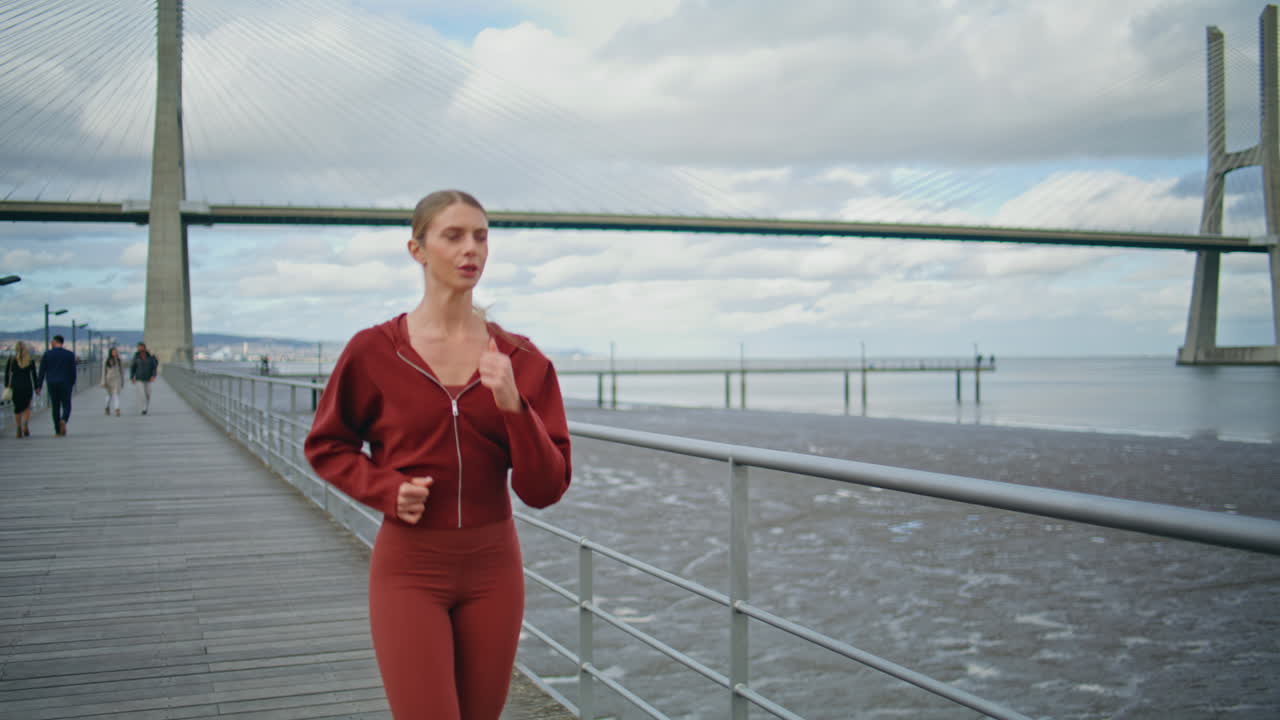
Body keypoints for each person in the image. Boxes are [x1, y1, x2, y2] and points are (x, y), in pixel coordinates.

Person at [304, 190, 572, 720]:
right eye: (453, 235)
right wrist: (384, 489)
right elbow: (326, 445)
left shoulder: (520, 360)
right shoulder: (374, 350)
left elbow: (544, 489)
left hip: (494, 570)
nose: (471, 248)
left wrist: (514, 407)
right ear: (417, 249)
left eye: (481, 236)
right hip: (409, 569)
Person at [36, 335, 76, 436]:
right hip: (66, 383)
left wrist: (39, 386)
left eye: (52, 341)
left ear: (55, 342)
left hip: (52, 383)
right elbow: (73, 371)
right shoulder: (70, 355)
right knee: (67, 404)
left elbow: (42, 371)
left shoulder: (47, 354)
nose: (51, 343)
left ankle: (57, 431)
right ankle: (64, 420)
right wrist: (72, 383)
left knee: (55, 407)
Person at [5, 341, 39, 438]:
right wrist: (36, 387)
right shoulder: (30, 361)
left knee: (17, 408)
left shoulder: (11, 360)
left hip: (15, 387)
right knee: (27, 407)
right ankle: (25, 424)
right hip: (27, 386)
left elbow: (8, 374)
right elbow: (34, 376)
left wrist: (7, 385)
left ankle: (18, 428)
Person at [130, 342, 159, 414]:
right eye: (139, 347)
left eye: (141, 347)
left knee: (148, 394)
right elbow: (133, 367)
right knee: (142, 393)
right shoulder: (136, 357)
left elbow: (154, 367)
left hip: (148, 378)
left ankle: (145, 406)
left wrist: (153, 376)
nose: (140, 349)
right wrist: (132, 377)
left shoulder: (150, 357)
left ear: (144, 348)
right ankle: (144, 408)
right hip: (139, 378)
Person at [102, 346, 124, 416]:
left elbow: (121, 371)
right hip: (109, 379)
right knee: (109, 395)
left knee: (116, 394)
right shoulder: (107, 360)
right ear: (111, 353)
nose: (115, 353)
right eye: (114, 352)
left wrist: (122, 381)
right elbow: (103, 372)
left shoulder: (119, 360)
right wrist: (103, 381)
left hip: (117, 379)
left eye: (116, 352)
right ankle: (107, 407)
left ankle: (117, 409)